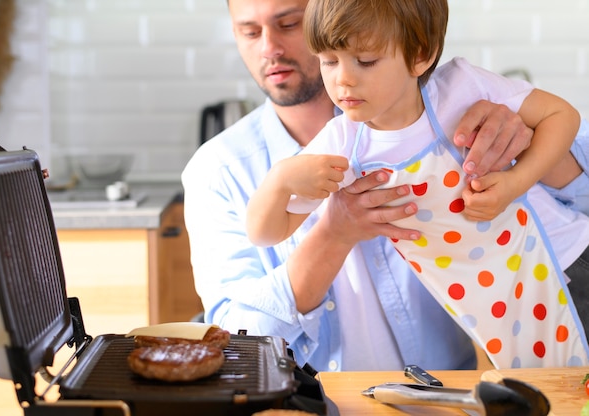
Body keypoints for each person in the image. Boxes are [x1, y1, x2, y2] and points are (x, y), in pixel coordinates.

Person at [181, 0, 589, 372]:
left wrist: (521, 166)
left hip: (562, 260)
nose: (344, 81)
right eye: (250, 32)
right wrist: (284, 183)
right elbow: (238, 331)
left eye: (289, 23)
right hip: (502, 315)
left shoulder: (461, 92)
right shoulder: (329, 146)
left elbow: (565, 127)